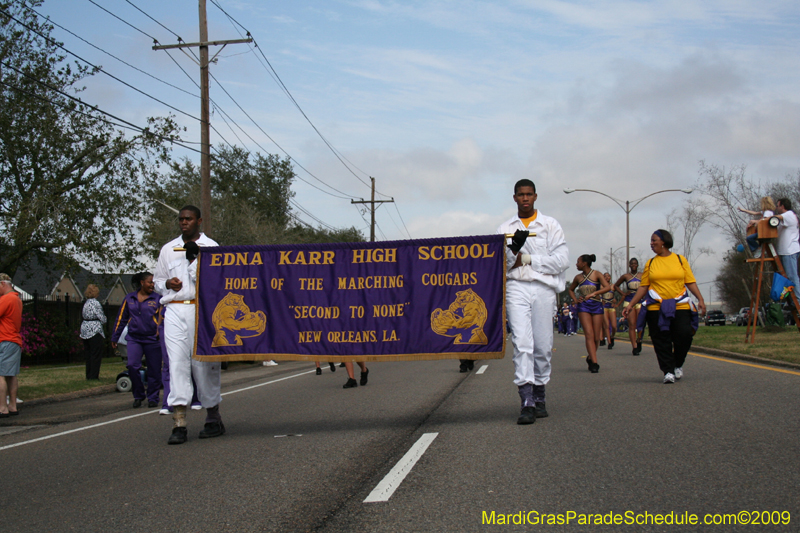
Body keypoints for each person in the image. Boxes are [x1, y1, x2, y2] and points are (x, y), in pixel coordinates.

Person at [498, 179, 569, 425]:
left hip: (543, 288)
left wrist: (526, 257)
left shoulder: (550, 225)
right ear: (515, 197)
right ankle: (526, 399)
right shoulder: (504, 228)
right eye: (521, 195)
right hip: (516, 287)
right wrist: (511, 250)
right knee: (522, 342)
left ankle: (540, 394)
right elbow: (501, 265)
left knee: (543, 345)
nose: (525, 198)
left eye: (529, 194)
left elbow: (561, 261)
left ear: (536, 196)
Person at [153, 205, 223, 445]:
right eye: (181, 219)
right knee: (177, 363)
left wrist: (194, 260)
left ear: (199, 221)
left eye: (189, 219)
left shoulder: (211, 247)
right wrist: (167, 285)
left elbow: (215, 280)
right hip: (174, 308)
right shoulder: (168, 249)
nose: (184, 222)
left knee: (203, 363)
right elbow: (157, 281)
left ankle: (212, 415)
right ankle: (179, 421)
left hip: (200, 308)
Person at [623, 230, 706, 384]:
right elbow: (643, 287)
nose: (651, 243)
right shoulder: (651, 263)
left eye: (654, 240)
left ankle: (677, 364)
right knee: (661, 340)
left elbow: (690, 282)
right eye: (651, 240)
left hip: (680, 305)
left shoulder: (680, 260)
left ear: (664, 242)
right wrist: (631, 305)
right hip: (656, 307)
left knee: (684, 335)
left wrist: (700, 299)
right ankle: (668, 371)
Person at [111, 272, 162, 409]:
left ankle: (153, 397)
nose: (152, 285)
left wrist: (160, 329)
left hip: (152, 339)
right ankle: (138, 395)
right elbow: (121, 319)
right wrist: (115, 337)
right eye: (150, 282)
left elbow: (163, 317)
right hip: (134, 338)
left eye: (153, 282)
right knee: (132, 366)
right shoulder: (129, 298)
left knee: (154, 370)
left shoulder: (158, 299)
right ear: (141, 282)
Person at [568, 255, 611, 373]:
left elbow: (608, 287)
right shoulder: (578, 277)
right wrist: (576, 300)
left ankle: (590, 357)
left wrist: (594, 293)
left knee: (597, 337)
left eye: (578, 262)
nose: (576, 264)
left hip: (597, 305)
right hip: (584, 307)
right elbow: (571, 289)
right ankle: (594, 363)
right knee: (589, 334)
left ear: (584, 263)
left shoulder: (597, 274)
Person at [0, 274, 23, 417]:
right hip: (14, 339)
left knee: (0, 374)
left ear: (2, 284)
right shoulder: (16, 299)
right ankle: (12, 405)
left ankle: (2, 408)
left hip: (4, 339)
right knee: (11, 375)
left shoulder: (5, 299)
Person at [613, 258, 643, 355]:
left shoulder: (642, 275)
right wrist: (623, 293)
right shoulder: (626, 276)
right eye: (632, 264)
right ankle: (634, 346)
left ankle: (639, 340)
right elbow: (615, 286)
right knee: (632, 324)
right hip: (629, 302)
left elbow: (648, 285)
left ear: (637, 265)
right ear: (629, 265)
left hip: (640, 301)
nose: (634, 265)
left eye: (635, 263)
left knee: (640, 324)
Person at [80, 284, 106, 380]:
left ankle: (88, 374)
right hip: (95, 330)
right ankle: (94, 376)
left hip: (85, 329)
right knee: (96, 354)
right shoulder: (96, 303)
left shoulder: (86, 303)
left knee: (88, 354)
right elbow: (102, 318)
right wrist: (104, 320)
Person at [773, 198, 800, 290]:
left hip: (789, 251)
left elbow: (775, 218)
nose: (776, 208)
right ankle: (792, 302)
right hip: (787, 251)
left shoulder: (788, 215)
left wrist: (766, 218)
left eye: (777, 206)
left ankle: (798, 301)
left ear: (782, 206)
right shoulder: (788, 216)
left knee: (792, 277)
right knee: (788, 277)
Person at [601, 272, 618, 349]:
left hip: (611, 307)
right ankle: (609, 342)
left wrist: (616, 300)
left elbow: (620, 294)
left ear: (610, 278)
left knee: (614, 326)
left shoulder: (613, 286)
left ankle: (612, 336)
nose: (607, 277)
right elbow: (597, 295)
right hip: (604, 307)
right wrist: (601, 300)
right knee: (606, 325)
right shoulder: (601, 286)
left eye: (608, 276)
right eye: (605, 276)